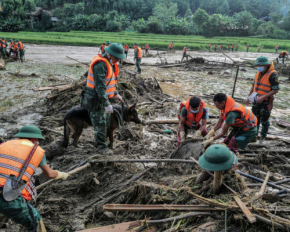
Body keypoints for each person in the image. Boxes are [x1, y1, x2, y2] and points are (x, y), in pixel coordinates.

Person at [0, 125, 69, 232]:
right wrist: (62, 175)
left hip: (5, 189)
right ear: (34, 139)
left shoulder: (3, 145)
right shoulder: (36, 150)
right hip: (6, 194)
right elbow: (50, 174)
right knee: (35, 220)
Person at [80, 43, 125, 154]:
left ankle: (105, 143)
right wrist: (106, 104)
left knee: (106, 123)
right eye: (117, 58)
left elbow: (110, 81)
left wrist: (115, 93)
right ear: (109, 54)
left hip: (103, 99)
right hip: (95, 100)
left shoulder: (111, 64)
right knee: (100, 124)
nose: (118, 60)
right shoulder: (100, 65)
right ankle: (102, 148)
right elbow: (100, 87)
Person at [246, 56, 279, 144]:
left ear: (266, 65)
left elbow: (275, 90)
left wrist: (263, 97)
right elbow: (253, 86)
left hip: (266, 102)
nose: (258, 67)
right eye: (258, 65)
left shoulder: (273, 75)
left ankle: (262, 138)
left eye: (260, 65)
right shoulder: (258, 73)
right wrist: (248, 97)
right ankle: (254, 136)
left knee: (264, 120)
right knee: (254, 119)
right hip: (256, 100)